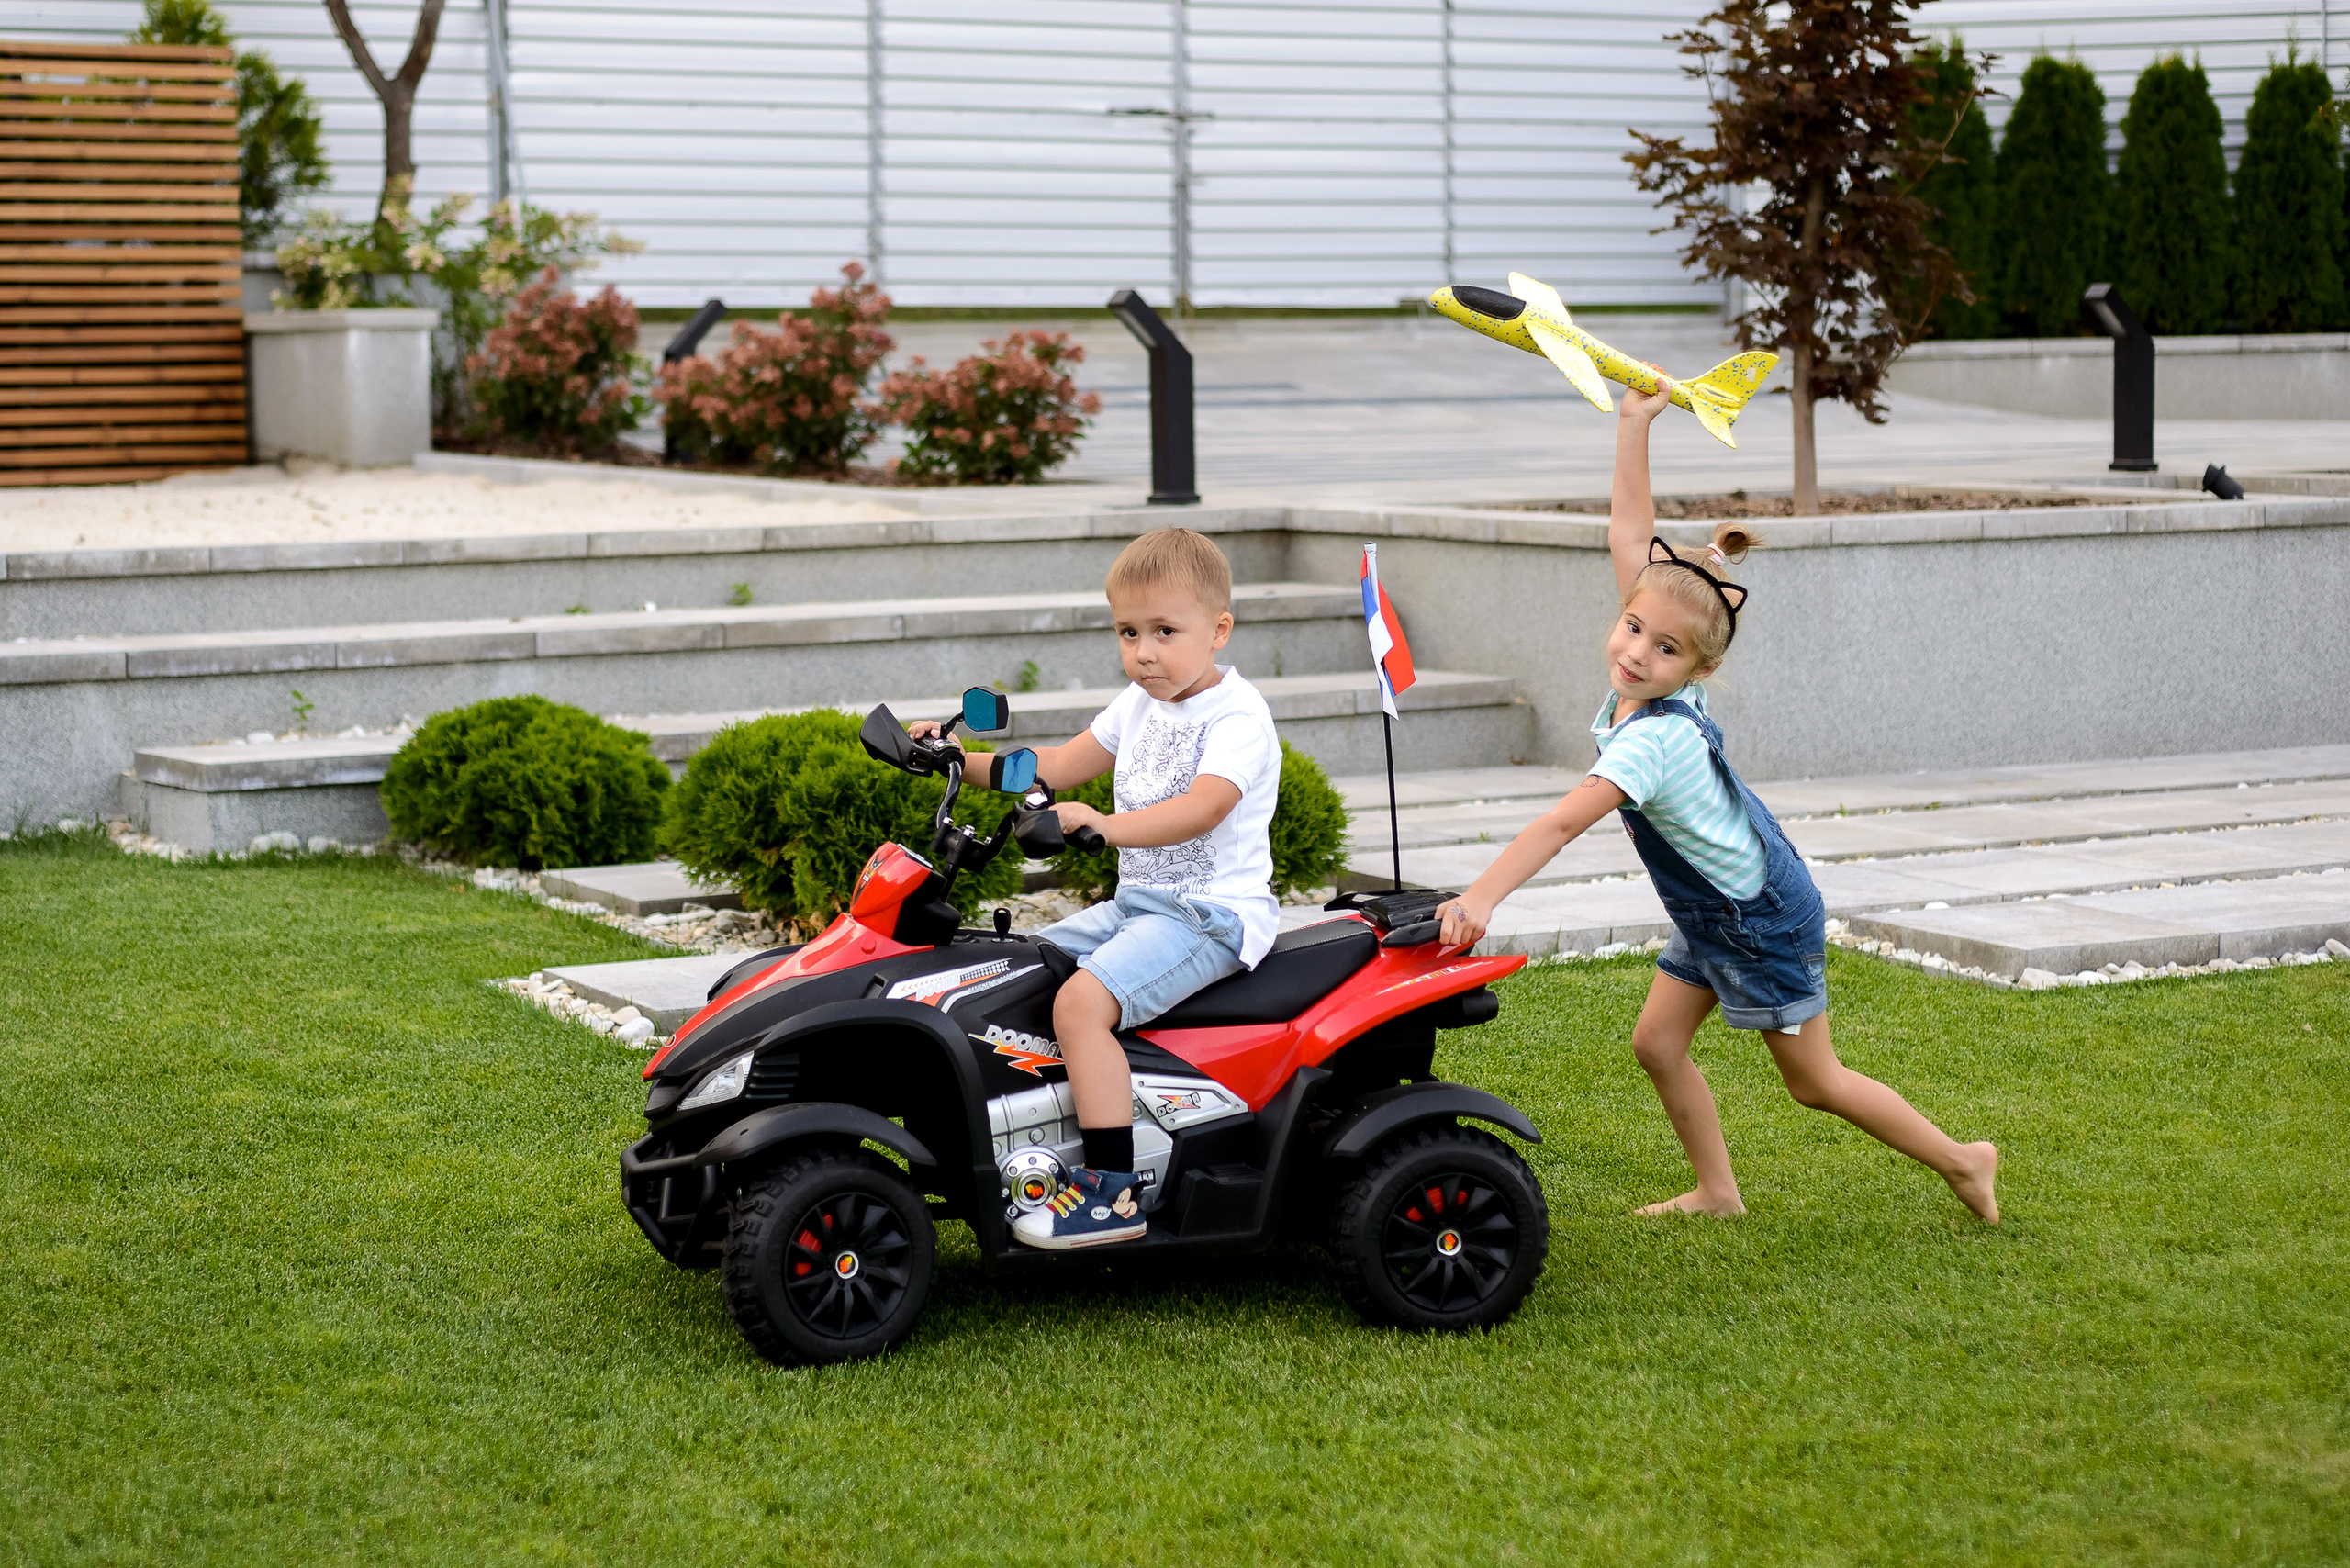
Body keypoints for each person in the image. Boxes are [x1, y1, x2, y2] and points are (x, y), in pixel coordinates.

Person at [1435, 372, 2000, 1223]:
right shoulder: (1653, 663)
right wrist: (1635, 424)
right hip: (1718, 906)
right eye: (1633, 628)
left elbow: (1560, 824)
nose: (1635, 653)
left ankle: (1965, 1161)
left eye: (1663, 650)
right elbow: (1632, 530)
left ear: (1700, 671)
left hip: (1756, 917)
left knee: (1815, 1082)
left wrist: (1481, 896)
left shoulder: (1655, 738)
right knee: (1658, 1044)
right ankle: (1717, 1193)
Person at [909, 527, 1282, 1248]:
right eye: (1128, 632)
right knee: (1018, 966)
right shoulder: (1139, 703)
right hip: (1140, 906)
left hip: (1211, 916)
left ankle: (1110, 1195)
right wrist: (958, 756)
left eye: (1165, 631)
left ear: (1219, 630)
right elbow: (1048, 765)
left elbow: (1204, 807)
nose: (1143, 652)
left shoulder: (1238, 716)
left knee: (1079, 1005)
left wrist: (1104, 826)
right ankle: (1021, 1142)